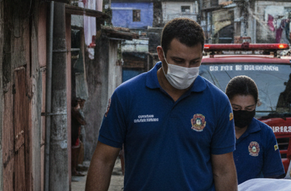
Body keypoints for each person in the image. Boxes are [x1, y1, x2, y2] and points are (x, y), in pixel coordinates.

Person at [86, 18, 237, 191]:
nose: (187, 69)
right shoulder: (127, 96)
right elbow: (103, 160)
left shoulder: (217, 102)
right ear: (160, 53)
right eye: (178, 61)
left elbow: (224, 170)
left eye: (194, 62)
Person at [225, 75, 285, 183]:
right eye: (236, 108)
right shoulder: (214, 131)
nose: (242, 112)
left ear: (257, 104)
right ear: (226, 103)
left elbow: (274, 177)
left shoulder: (265, 134)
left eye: (249, 108)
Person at [71, 97, 87, 176]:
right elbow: (83, 121)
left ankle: (75, 168)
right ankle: (74, 169)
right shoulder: (75, 111)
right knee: (75, 153)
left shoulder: (74, 111)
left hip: (75, 133)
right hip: (74, 134)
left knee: (75, 152)